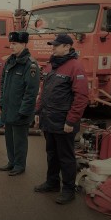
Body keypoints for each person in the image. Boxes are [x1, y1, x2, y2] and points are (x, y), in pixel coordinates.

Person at [33, 34, 89, 205]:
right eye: (53, 45)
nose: (53, 48)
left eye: (56, 45)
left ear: (67, 47)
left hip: (64, 122)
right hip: (48, 119)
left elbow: (81, 97)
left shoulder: (75, 67)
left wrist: (71, 121)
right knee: (51, 154)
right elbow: (44, 91)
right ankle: (52, 183)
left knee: (66, 157)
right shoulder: (51, 65)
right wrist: (38, 111)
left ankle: (68, 189)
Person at [0, 31, 40, 176]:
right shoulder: (10, 61)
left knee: (20, 141)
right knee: (9, 138)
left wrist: (24, 111)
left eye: (14, 44)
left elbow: (31, 91)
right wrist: (2, 103)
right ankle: (12, 161)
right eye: (11, 43)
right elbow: (3, 83)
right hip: (9, 108)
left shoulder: (31, 65)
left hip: (20, 111)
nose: (11, 46)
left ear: (23, 44)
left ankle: (20, 165)